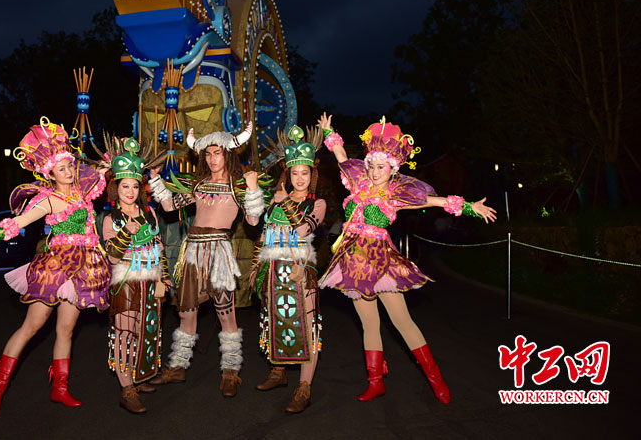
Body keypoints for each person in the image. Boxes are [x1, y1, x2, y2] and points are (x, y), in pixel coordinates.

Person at [317, 113, 496, 404]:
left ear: (392, 168)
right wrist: (329, 132)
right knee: (369, 324)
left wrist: (470, 208)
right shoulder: (357, 182)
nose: (375, 171)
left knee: (402, 321)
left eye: (381, 167)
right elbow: (340, 155)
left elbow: (435, 201)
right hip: (353, 263)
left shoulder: (397, 194)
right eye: (371, 165)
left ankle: (436, 379)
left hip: (381, 262)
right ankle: (375, 382)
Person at [0, 117, 111, 418]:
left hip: (82, 269)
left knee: (66, 330)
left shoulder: (83, 191)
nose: (69, 172)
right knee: (32, 326)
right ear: (50, 173)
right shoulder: (48, 200)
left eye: (70, 166)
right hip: (55, 269)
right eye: (62, 169)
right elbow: (18, 222)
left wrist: (117, 158)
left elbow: (103, 169)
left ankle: (60, 388)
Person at [147, 122, 266, 397]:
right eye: (208, 154)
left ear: (228, 154)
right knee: (186, 312)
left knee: (226, 313)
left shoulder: (237, 187)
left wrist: (252, 189)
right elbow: (168, 206)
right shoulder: (199, 185)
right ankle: (178, 366)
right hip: (193, 254)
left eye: (217, 153)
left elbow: (252, 220)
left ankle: (230, 371)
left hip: (219, 256)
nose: (212, 159)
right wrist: (155, 180)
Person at [249, 125, 326, 413]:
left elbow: (304, 230)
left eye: (304, 173)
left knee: (307, 326)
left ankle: (304, 387)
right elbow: (258, 230)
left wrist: (285, 204)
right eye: (295, 173)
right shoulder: (275, 203)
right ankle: (278, 371)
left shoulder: (317, 204)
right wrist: (255, 192)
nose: (300, 178)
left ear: (311, 175)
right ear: (288, 175)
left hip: (301, 269)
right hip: (273, 269)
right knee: (276, 320)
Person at [100, 137, 169, 414]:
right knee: (124, 335)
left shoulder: (150, 213)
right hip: (126, 283)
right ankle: (127, 390)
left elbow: (159, 248)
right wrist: (125, 233)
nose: (130, 191)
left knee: (146, 332)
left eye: (135, 186)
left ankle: (138, 377)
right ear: (116, 188)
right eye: (125, 186)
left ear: (141, 188)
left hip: (151, 281)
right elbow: (112, 258)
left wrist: (164, 279)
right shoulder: (110, 219)